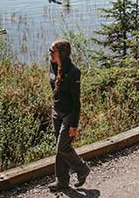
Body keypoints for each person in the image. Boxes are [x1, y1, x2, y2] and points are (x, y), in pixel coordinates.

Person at [48, 40, 90, 191]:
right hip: (56, 111)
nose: (50, 54)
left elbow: (76, 101)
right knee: (60, 148)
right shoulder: (53, 65)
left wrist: (74, 125)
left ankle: (82, 168)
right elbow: (55, 87)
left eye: (52, 51)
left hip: (69, 114)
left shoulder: (74, 72)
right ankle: (62, 181)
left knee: (62, 146)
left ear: (61, 53)